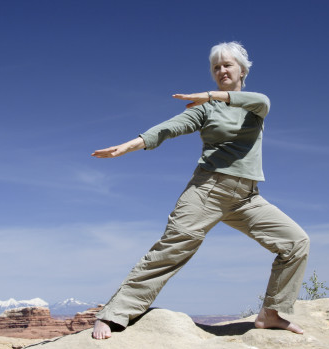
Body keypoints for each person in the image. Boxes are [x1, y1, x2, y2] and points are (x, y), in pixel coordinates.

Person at [90, 42, 310, 340]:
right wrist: (132, 144)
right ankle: (113, 314)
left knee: (295, 242)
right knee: (172, 249)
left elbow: (261, 100)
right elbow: (171, 126)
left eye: (227, 65)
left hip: (247, 197)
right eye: (216, 67)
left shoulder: (254, 106)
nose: (221, 71)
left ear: (242, 70)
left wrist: (209, 94)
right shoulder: (205, 109)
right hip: (207, 190)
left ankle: (271, 313)